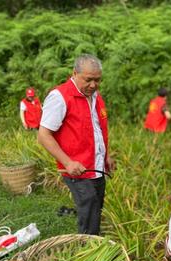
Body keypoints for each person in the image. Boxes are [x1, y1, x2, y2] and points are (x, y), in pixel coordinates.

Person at [38, 54, 115, 235]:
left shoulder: (96, 96)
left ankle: (93, 239)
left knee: (96, 204)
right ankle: (86, 250)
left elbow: (97, 130)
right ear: (74, 73)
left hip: (96, 165)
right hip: (76, 167)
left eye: (98, 80)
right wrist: (68, 162)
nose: (93, 85)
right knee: (89, 204)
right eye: (88, 80)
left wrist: (106, 156)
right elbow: (43, 135)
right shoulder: (60, 97)